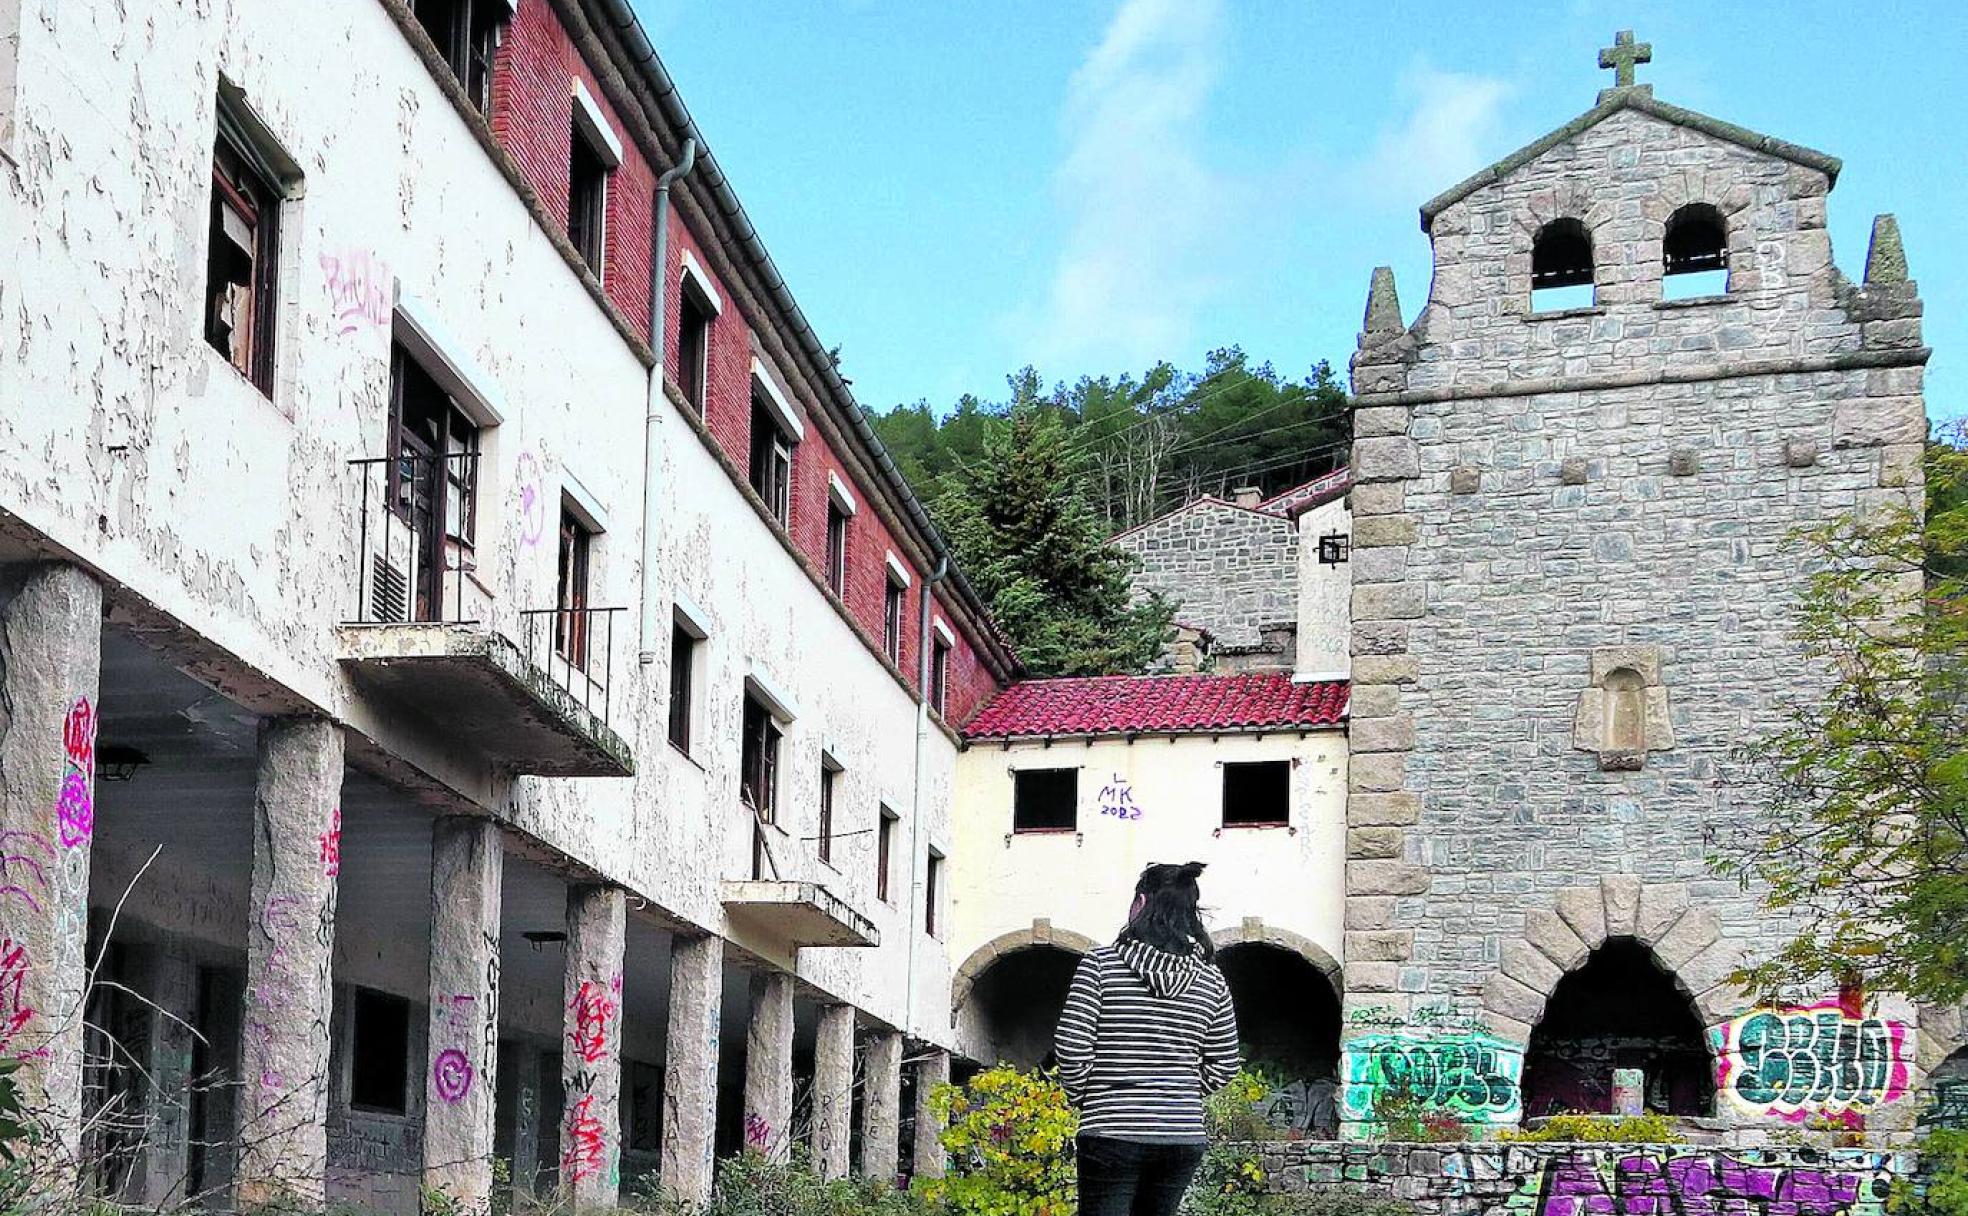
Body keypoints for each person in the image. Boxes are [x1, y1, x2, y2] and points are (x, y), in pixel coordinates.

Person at [1054, 861, 1240, 1216]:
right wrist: (1180, 1090)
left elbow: (1072, 1045)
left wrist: (1089, 1096)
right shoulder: (1211, 980)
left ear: (1140, 903)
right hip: (1181, 1134)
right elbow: (1225, 1062)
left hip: (1110, 1129)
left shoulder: (1100, 965)